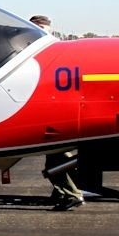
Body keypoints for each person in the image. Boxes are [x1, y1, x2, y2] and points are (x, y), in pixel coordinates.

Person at [30, 15, 83, 210]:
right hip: (50, 115)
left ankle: (72, 194)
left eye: (44, 28)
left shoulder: (58, 55)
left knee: (58, 159)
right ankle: (62, 192)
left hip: (60, 116)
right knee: (56, 159)